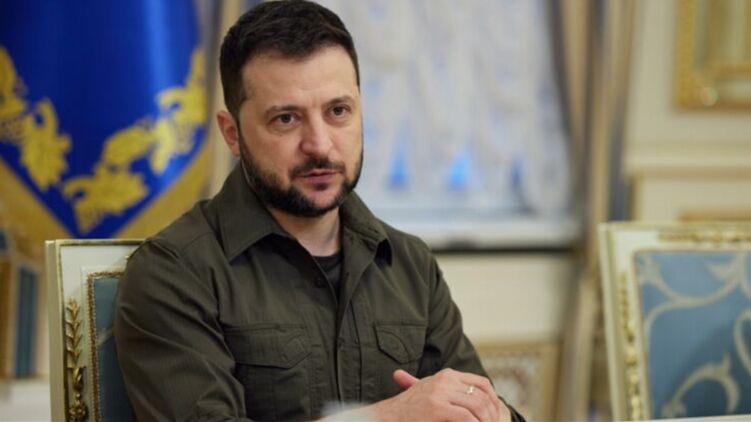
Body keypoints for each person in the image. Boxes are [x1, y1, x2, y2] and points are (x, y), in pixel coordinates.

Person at [114, 1, 524, 421]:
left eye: (338, 112)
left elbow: (485, 407)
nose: (320, 145)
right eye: (286, 119)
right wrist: (384, 417)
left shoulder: (410, 264)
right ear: (232, 134)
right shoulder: (173, 273)